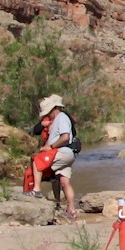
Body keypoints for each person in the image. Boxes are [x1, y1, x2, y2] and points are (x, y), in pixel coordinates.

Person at [25, 94, 78, 222]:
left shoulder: (61, 118)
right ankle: (71, 210)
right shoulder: (60, 119)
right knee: (63, 181)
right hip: (68, 153)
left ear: (53, 109)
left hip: (61, 151)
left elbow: (65, 137)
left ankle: (36, 189)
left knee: (37, 160)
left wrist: (51, 146)